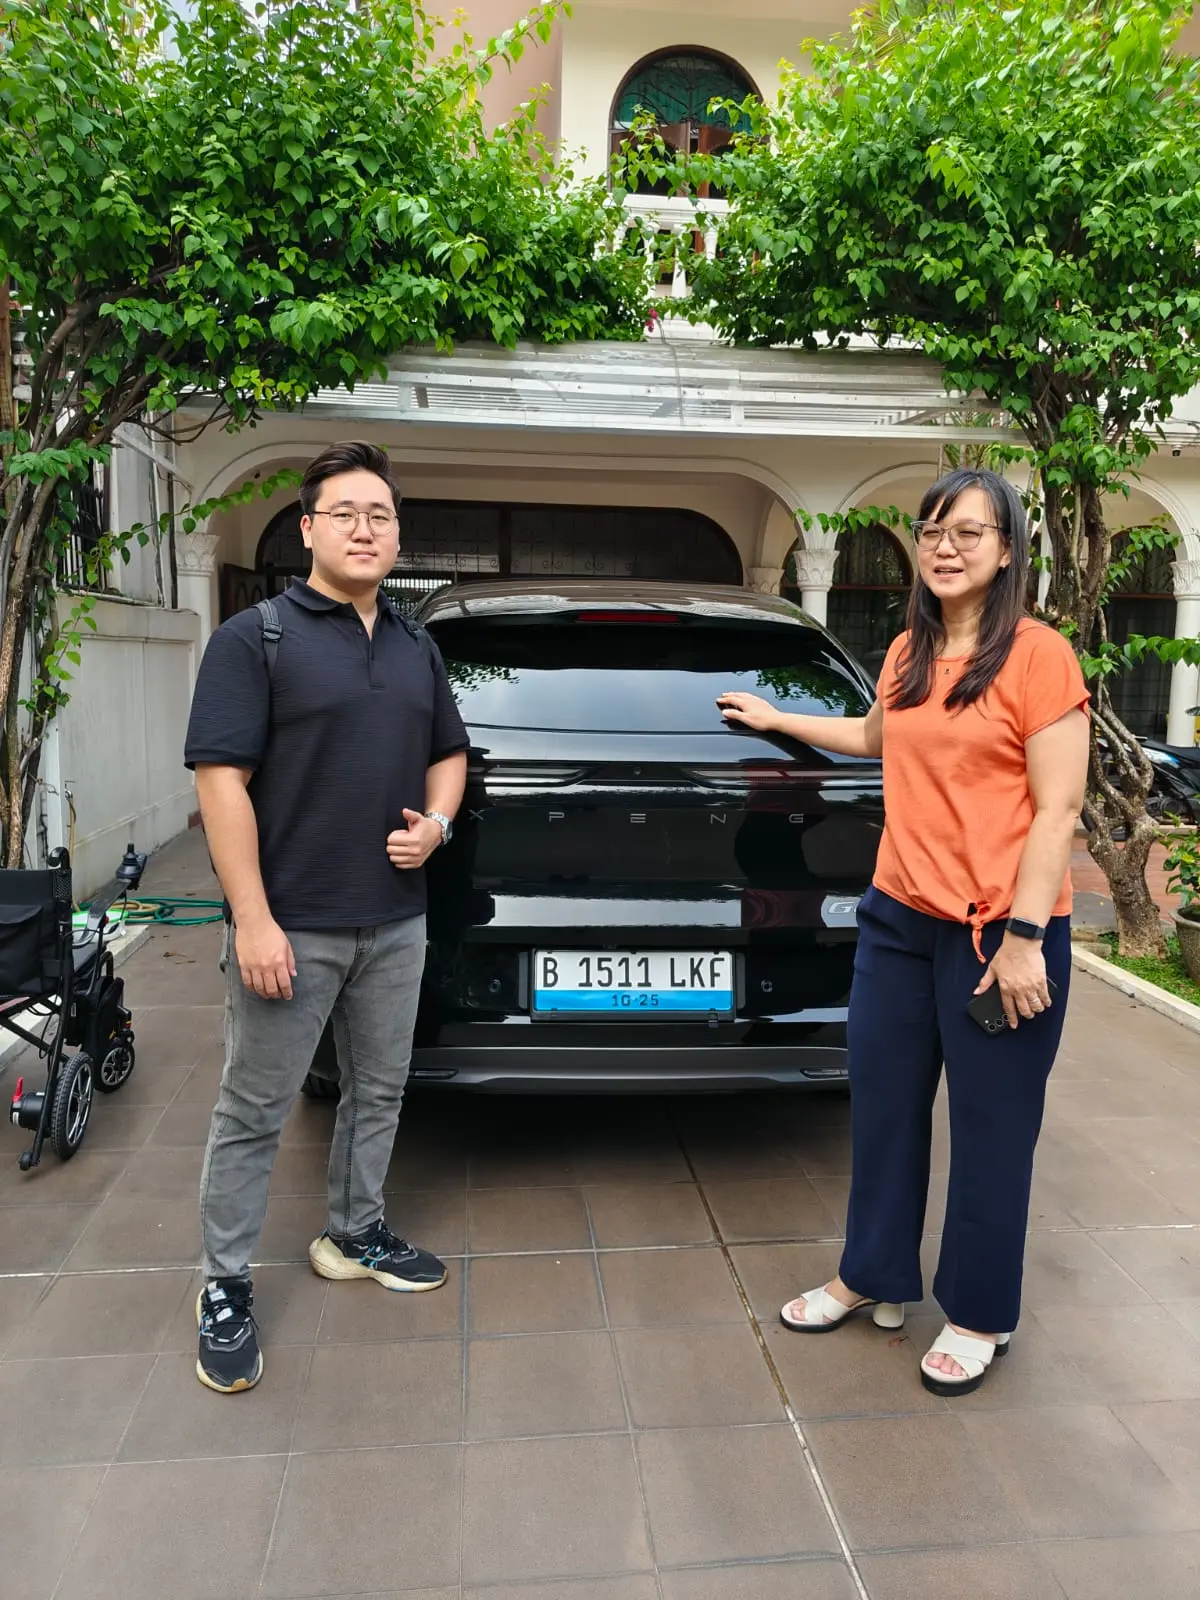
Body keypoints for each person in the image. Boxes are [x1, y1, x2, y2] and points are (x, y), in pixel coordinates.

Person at [718, 467, 1089, 1398]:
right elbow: (876, 737)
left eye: (968, 532)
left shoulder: (1038, 656)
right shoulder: (907, 652)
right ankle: (872, 1273)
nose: (945, 547)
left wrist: (1025, 937)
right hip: (897, 921)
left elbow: (1058, 809)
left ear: (1007, 549)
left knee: (993, 1131)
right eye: (932, 531)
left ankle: (981, 1313)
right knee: (882, 1111)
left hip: (997, 935)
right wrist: (776, 718)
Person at [183, 440, 468, 1394]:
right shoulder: (254, 639)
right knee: (253, 1111)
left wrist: (437, 825)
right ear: (308, 528)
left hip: (394, 921)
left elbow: (449, 752)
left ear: (397, 535)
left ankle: (354, 1233)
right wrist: (252, 919)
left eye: (380, 514)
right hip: (291, 924)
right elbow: (220, 783)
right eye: (344, 513)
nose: (364, 528)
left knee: (378, 1092)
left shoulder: (417, 645)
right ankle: (224, 1284)